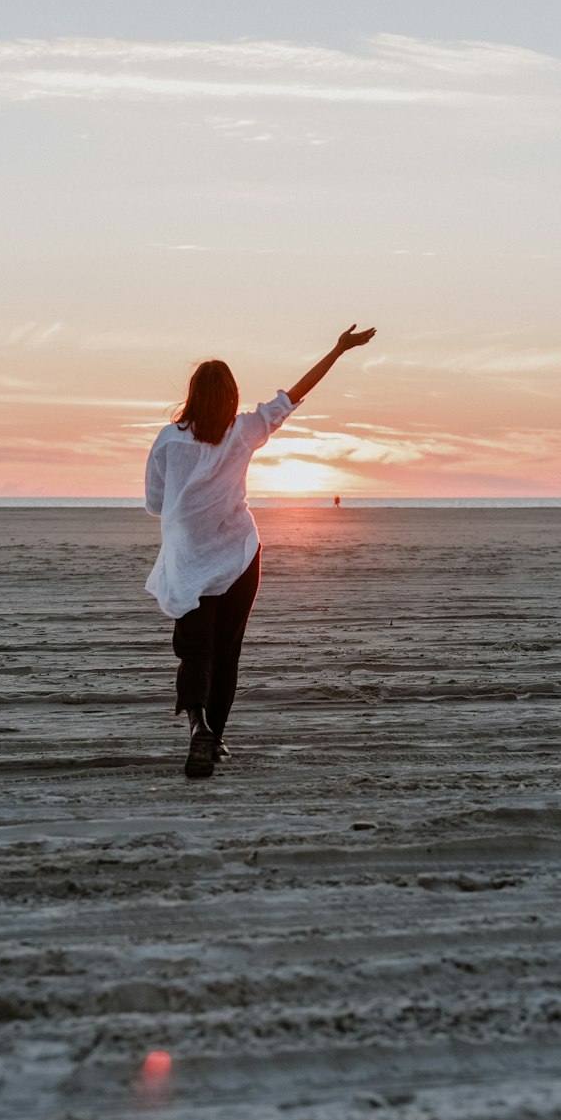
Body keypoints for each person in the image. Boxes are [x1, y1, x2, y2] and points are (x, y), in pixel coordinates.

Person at [145, 322, 376, 778]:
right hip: (239, 558)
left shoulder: (168, 441)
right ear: (230, 398)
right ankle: (217, 737)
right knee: (227, 654)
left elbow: (155, 503)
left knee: (196, 652)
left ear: (192, 396)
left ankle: (199, 728)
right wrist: (338, 349)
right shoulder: (245, 431)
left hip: (190, 563)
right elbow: (294, 394)